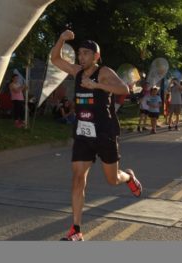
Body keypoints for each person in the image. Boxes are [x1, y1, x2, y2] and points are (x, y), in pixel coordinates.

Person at [51, 30, 142, 241]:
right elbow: (55, 59)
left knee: (113, 179)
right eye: (80, 53)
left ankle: (128, 176)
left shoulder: (104, 72)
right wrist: (62, 40)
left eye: (85, 54)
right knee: (77, 179)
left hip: (104, 132)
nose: (81, 57)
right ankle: (76, 229)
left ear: (96, 56)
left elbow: (123, 89)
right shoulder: (77, 71)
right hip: (83, 132)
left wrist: (97, 85)